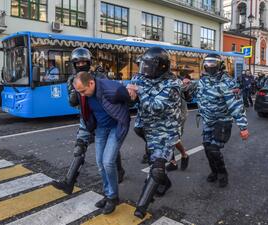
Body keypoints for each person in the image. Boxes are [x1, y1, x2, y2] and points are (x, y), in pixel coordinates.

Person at [57, 47, 125, 193]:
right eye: (78, 63)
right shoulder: (72, 79)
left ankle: (118, 171)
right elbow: (72, 102)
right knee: (79, 147)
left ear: (89, 62)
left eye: (84, 62)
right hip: (86, 117)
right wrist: (77, 91)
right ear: (74, 64)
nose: (81, 65)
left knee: (109, 150)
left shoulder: (99, 75)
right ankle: (69, 181)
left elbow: (109, 92)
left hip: (103, 117)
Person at [127, 47, 182, 219]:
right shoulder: (140, 78)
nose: (145, 70)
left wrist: (139, 92)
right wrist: (129, 95)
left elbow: (155, 107)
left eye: (149, 66)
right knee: (154, 163)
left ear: (162, 67)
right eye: (144, 66)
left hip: (166, 130)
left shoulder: (172, 85)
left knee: (156, 168)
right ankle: (165, 182)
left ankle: (141, 207)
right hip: (147, 130)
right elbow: (129, 97)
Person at [185, 54, 249, 188]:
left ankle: (222, 173)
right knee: (207, 148)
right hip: (208, 121)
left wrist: (243, 127)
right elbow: (194, 96)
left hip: (222, 121)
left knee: (214, 149)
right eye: (207, 64)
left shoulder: (228, 82)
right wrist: (186, 87)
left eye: (213, 63)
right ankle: (214, 171)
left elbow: (236, 105)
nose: (210, 66)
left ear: (220, 65)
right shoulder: (203, 80)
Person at [73, 71, 130, 214]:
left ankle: (113, 197)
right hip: (101, 128)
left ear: (91, 83)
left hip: (116, 126)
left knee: (108, 162)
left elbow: (129, 98)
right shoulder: (84, 94)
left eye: (84, 91)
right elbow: (85, 113)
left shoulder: (112, 89)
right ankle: (107, 193)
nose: (82, 94)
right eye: (80, 92)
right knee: (100, 162)